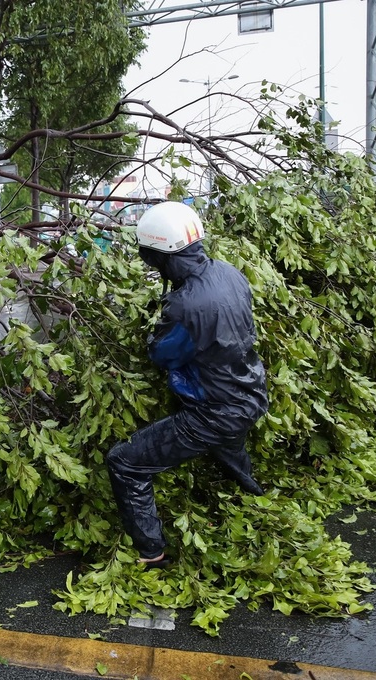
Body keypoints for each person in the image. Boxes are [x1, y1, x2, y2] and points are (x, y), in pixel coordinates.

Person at [106, 202, 268, 568]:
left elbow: (163, 355)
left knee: (124, 463)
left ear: (162, 256)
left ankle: (152, 554)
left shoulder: (185, 306)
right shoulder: (230, 273)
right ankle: (255, 500)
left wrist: (159, 325)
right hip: (250, 394)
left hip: (212, 412)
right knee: (230, 447)